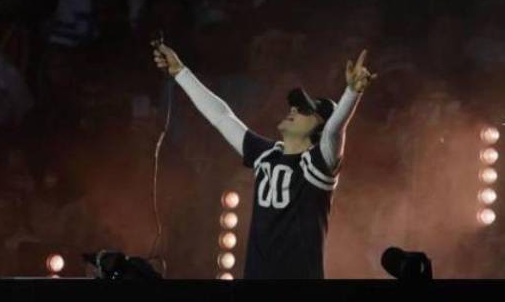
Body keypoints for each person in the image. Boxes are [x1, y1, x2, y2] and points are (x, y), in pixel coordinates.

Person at [152, 40, 375, 278]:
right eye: (295, 107)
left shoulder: (319, 163)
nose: (293, 110)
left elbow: (334, 131)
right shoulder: (266, 155)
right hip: (256, 291)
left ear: (318, 131)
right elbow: (222, 117)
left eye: (304, 111)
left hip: (301, 298)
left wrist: (351, 93)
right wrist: (180, 72)